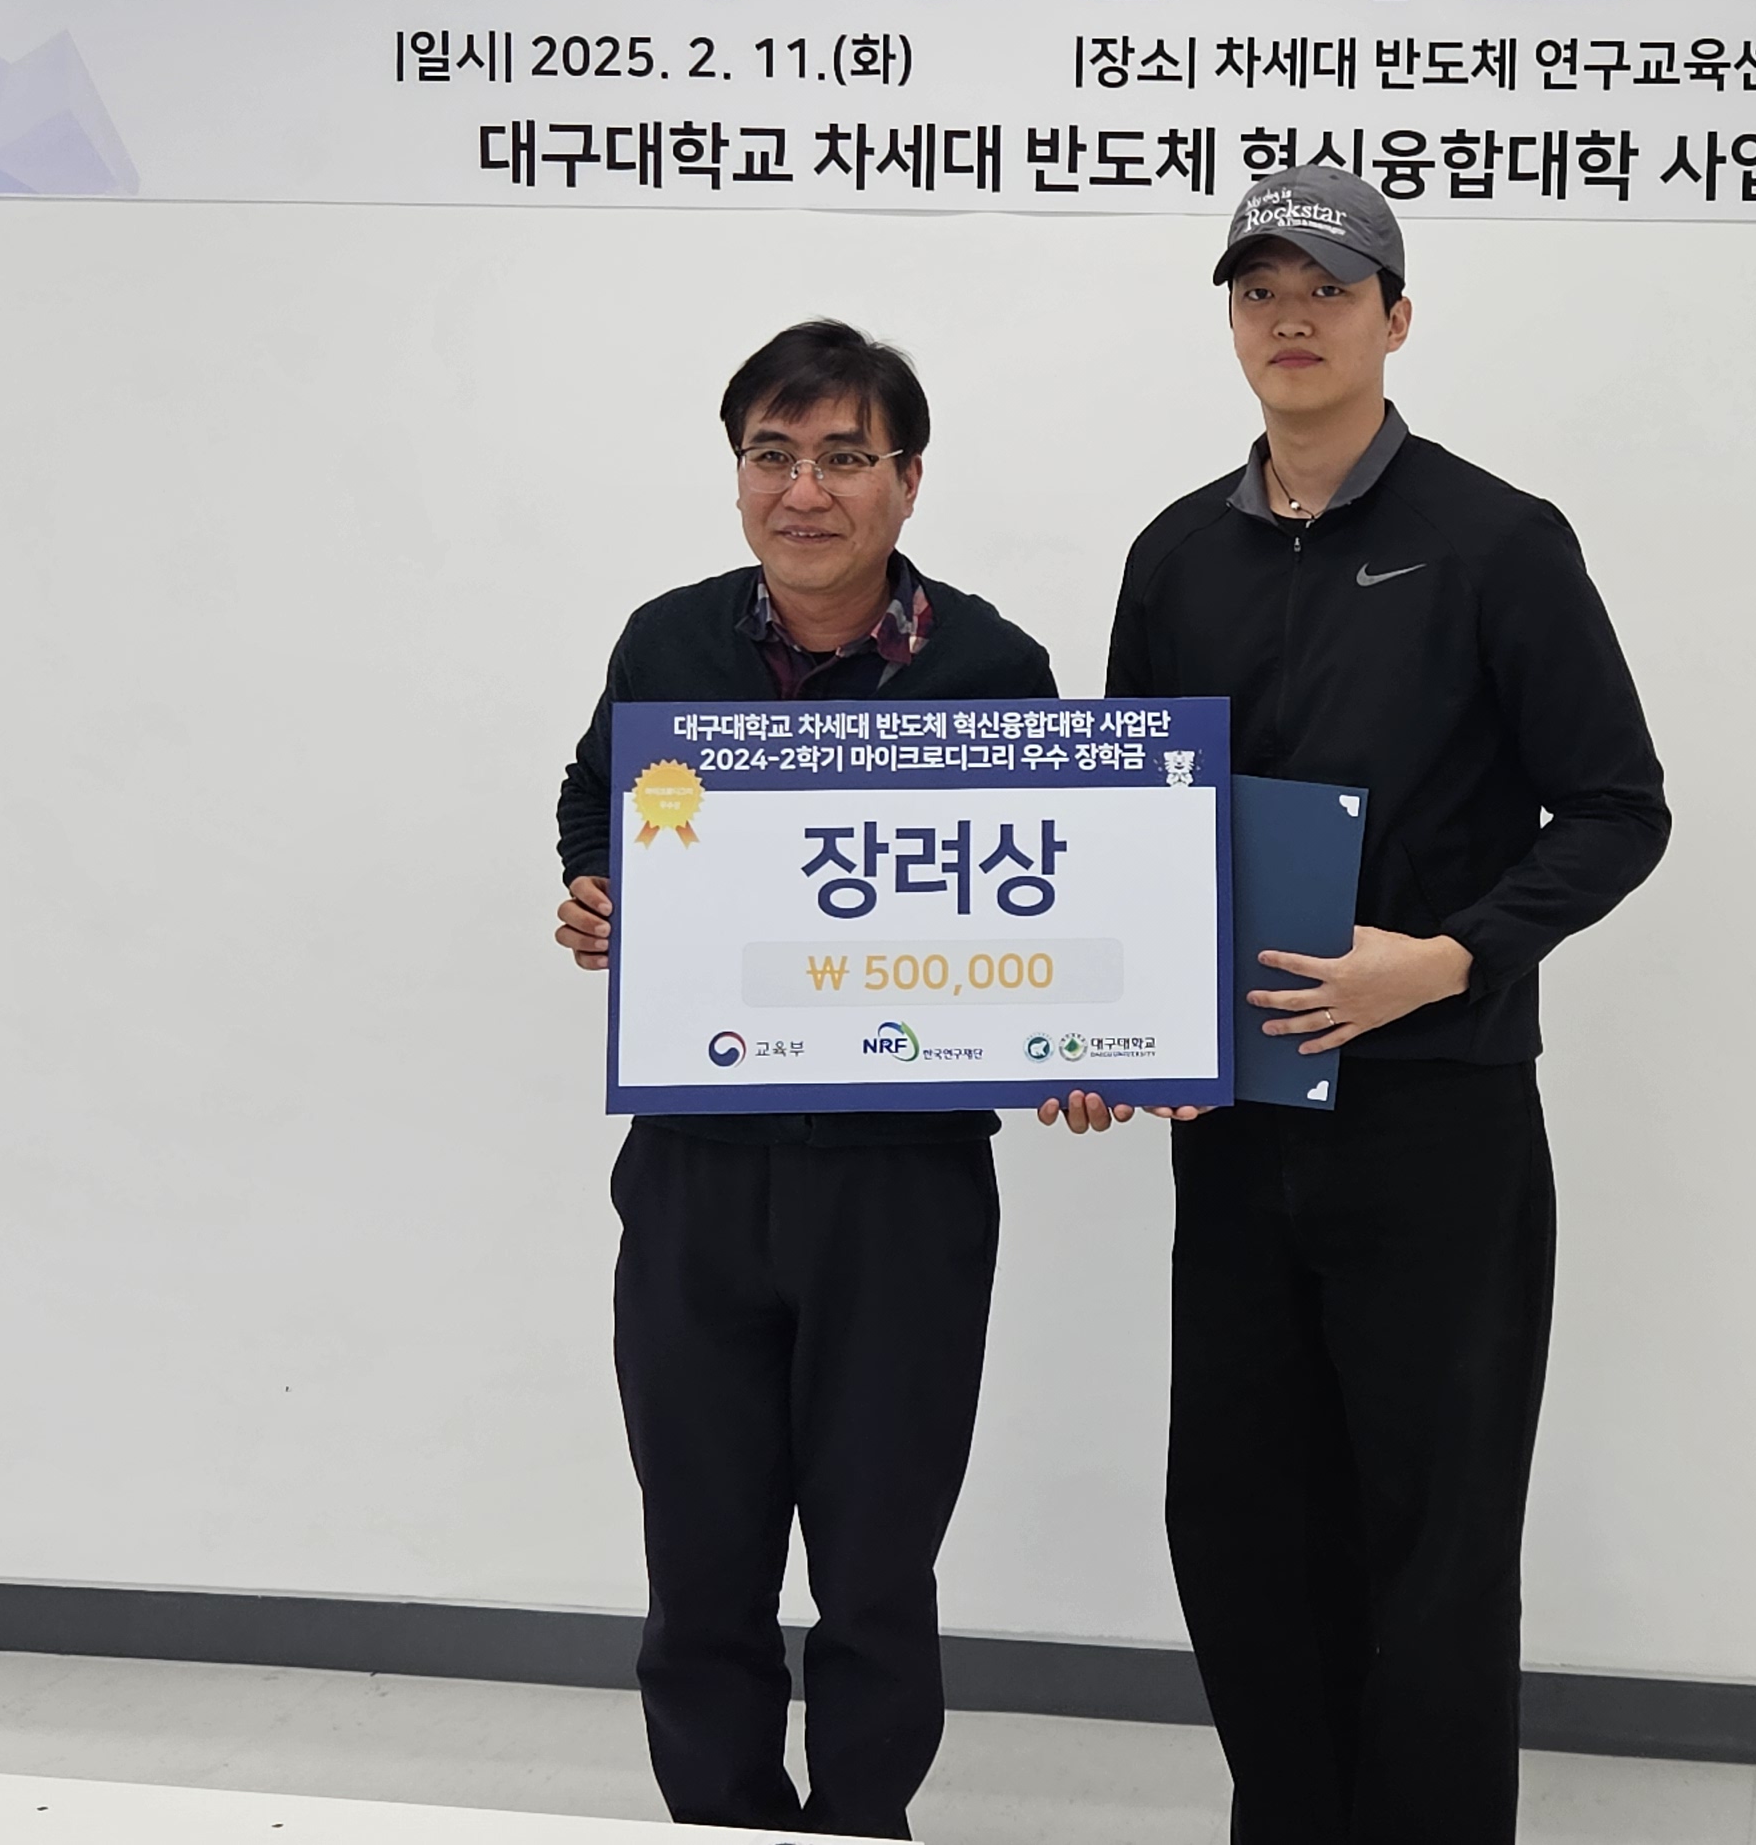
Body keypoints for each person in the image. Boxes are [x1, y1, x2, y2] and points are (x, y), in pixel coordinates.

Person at [1049, 169, 1672, 1842]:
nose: (1291, 319)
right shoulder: (1177, 554)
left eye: (1328, 289)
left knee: (1433, 1537)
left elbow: (1619, 810)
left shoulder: (1497, 542)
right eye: (1259, 291)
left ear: (1397, 317)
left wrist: (1448, 956)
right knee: (1241, 1523)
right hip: (1238, 1122)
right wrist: (1102, 1026)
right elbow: (1130, 831)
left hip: (1437, 1117)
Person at [552, 321, 1058, 1837]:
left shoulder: (990, 669)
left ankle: (861, 1825)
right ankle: (723, 1821)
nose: (805, 491)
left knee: (877, 1561)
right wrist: (599, 887)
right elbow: (596, 793)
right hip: (698, 1170)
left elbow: (1057, 893)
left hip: (901, 1184)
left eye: (845, 457)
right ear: (738, 477)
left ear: (909, 480)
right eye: (771, 456)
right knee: (699, 1556)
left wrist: (1089, 1039)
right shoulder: (668, 644)